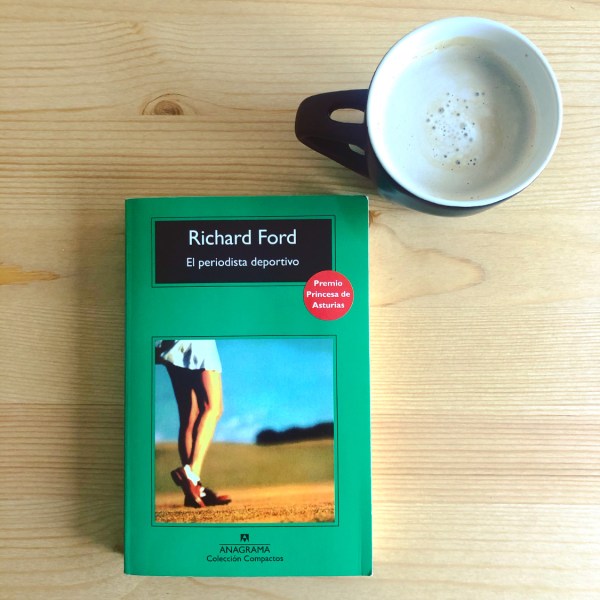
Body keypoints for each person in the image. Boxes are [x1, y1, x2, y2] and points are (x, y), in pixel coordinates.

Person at [156, 339, 231, 508]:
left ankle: (193, 491)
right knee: (212, 407)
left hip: (172, 337)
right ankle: (190, 475)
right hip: (198, 338)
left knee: (189, 416)